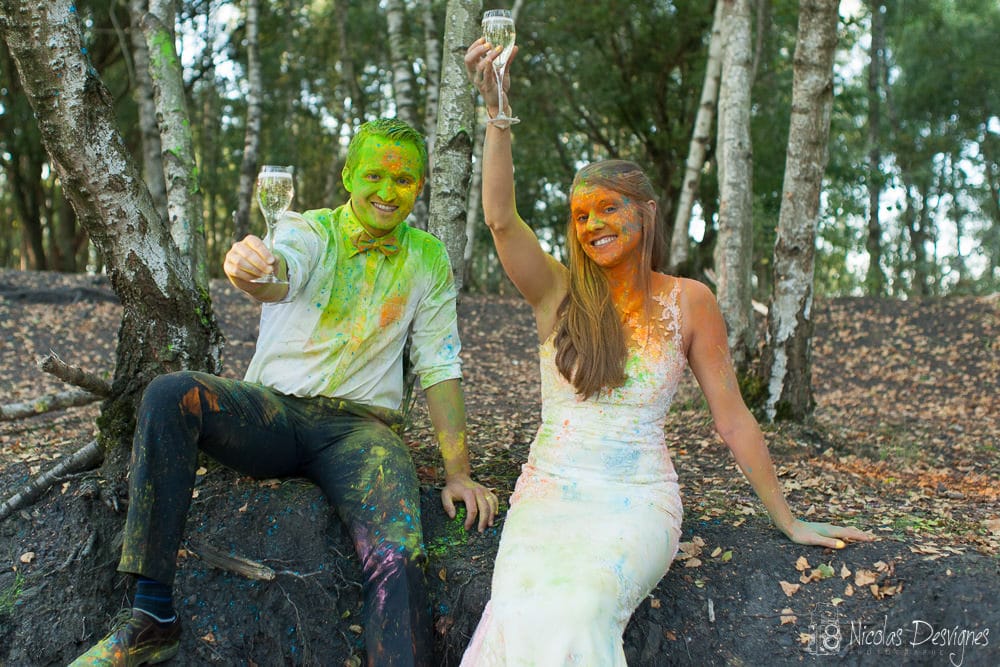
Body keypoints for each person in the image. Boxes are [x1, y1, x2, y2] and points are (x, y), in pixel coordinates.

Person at [459, 41, 874, 665]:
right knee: (519, 608)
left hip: (636, 501)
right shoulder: (557, 292)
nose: (593, 224)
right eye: (581, 215)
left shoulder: (690, 301)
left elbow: (732, 419)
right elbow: (499, 219)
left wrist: (788, 520)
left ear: (646, 212)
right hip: (548, 496)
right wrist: (497, 114)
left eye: (608, 208)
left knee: (581, 608)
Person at [70, 118, 498, 667]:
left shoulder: (429, 258)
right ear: (348, 175)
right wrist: (250, 272)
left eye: (404, 180)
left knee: (396, 549)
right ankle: (151, 619)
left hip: (359, 433)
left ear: (419, 186)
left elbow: (440, 365)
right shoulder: (309, 229)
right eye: (374, 175)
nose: (388, 191)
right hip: (272, 413)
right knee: (170, 393)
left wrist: (459, 473)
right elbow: (279, 273)